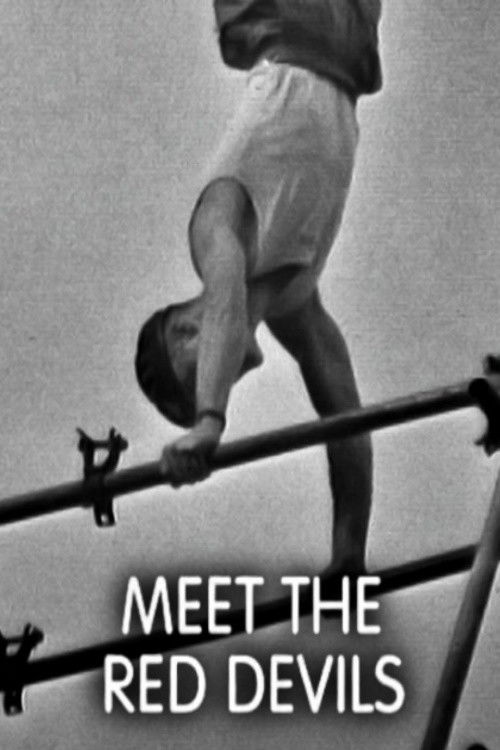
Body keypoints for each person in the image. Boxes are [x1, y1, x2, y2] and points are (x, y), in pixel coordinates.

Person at [135, 0, 382, 578]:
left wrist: (209, 419)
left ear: (185, 329)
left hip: (288, 24)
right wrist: (349, 553)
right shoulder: (298, 308)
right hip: (347, 44)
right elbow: (346, 422)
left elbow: (226, 301)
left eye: (196, 377)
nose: (219, 383)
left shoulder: (212, 232)